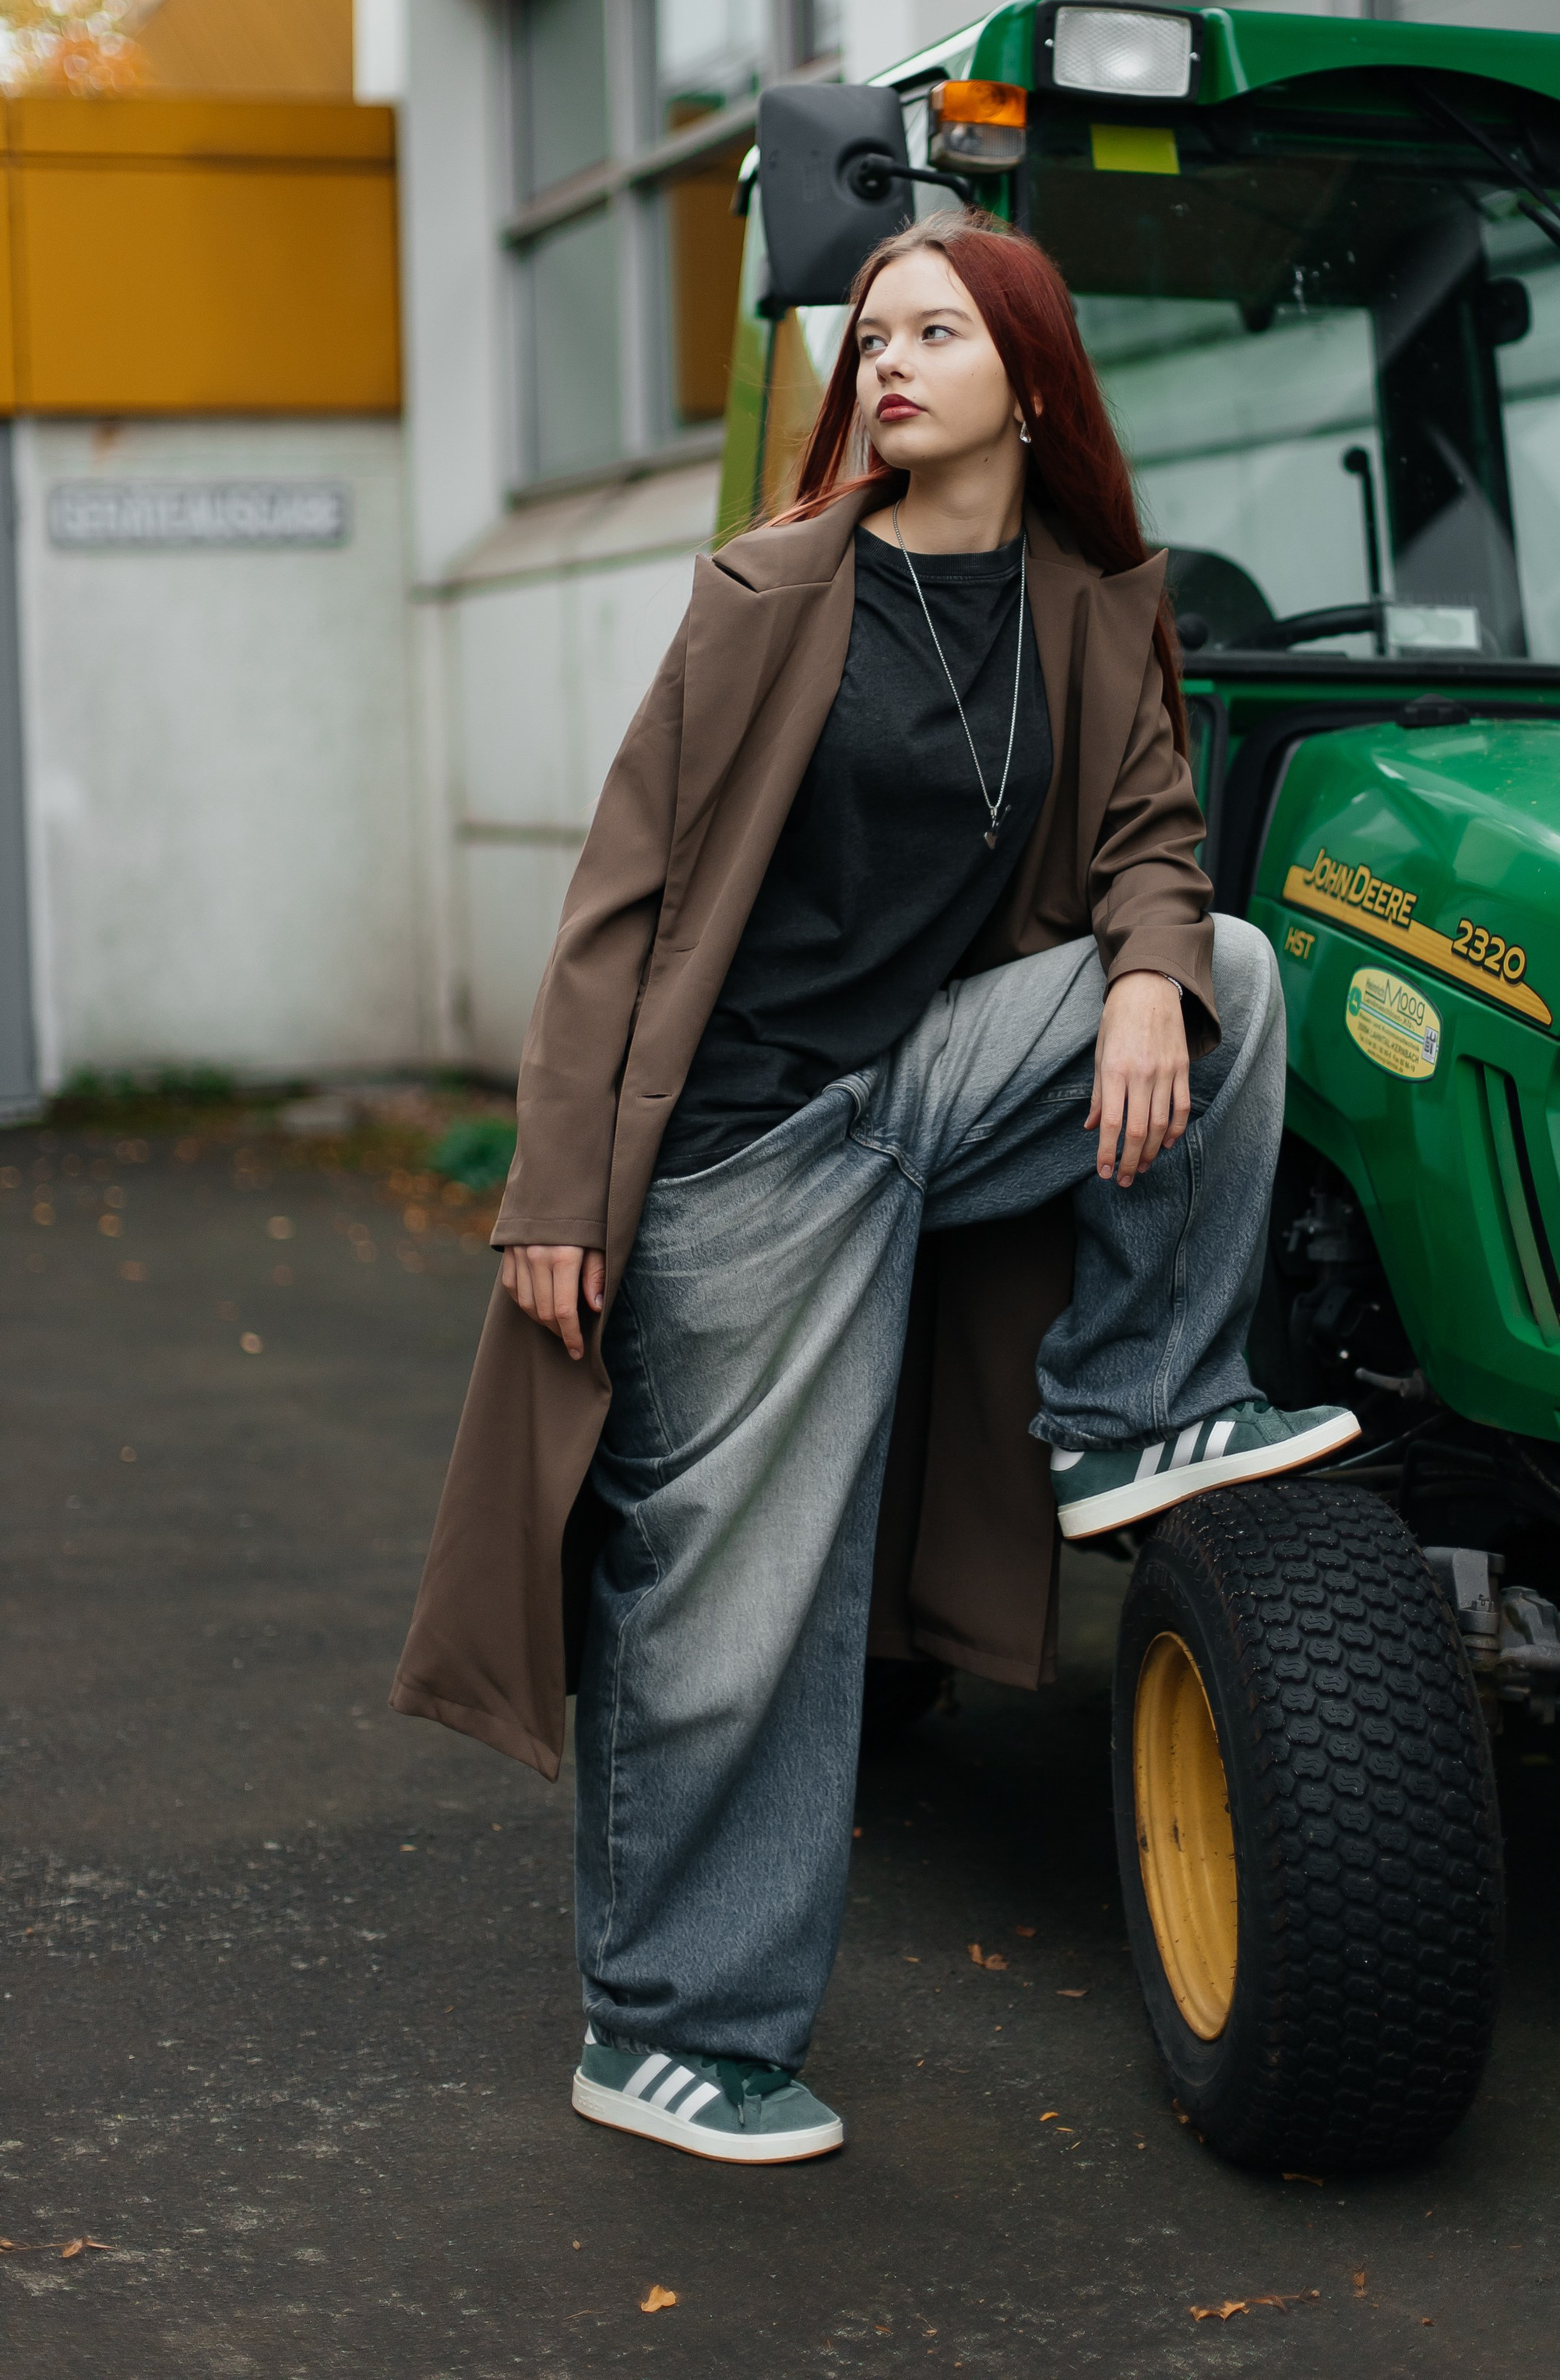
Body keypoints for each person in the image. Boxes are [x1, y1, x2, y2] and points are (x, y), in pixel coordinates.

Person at [391, 212, 1357, 2166]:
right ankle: (666, 2027)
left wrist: (1149, 975)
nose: (888, 363)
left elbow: (1153, 835)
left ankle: (1129, 1409)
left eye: (936, 331)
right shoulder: (771, 592)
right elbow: (621, 901)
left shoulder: (1087, 600)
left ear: (1027, 371)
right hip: (745, 1145)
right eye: (875, 336)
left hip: (921, 1087)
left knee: (1233, 971)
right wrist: (557, 1192)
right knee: (748, 1600)